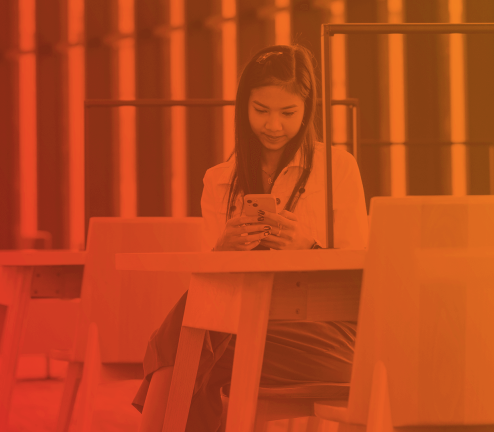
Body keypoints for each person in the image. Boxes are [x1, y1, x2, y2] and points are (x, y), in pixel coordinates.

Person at [132, 44, 369, 432]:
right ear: (244, 108)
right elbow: (210, 288)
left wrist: (308, 249)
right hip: (245, 326)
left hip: (332, 336)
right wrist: (223, 250)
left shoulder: (337, 168)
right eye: (261, 111)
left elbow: (363, 274)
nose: (274, 125)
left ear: (308, 111)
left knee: (180, 343)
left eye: (288, 113)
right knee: (192, 333)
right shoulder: (219, 179)